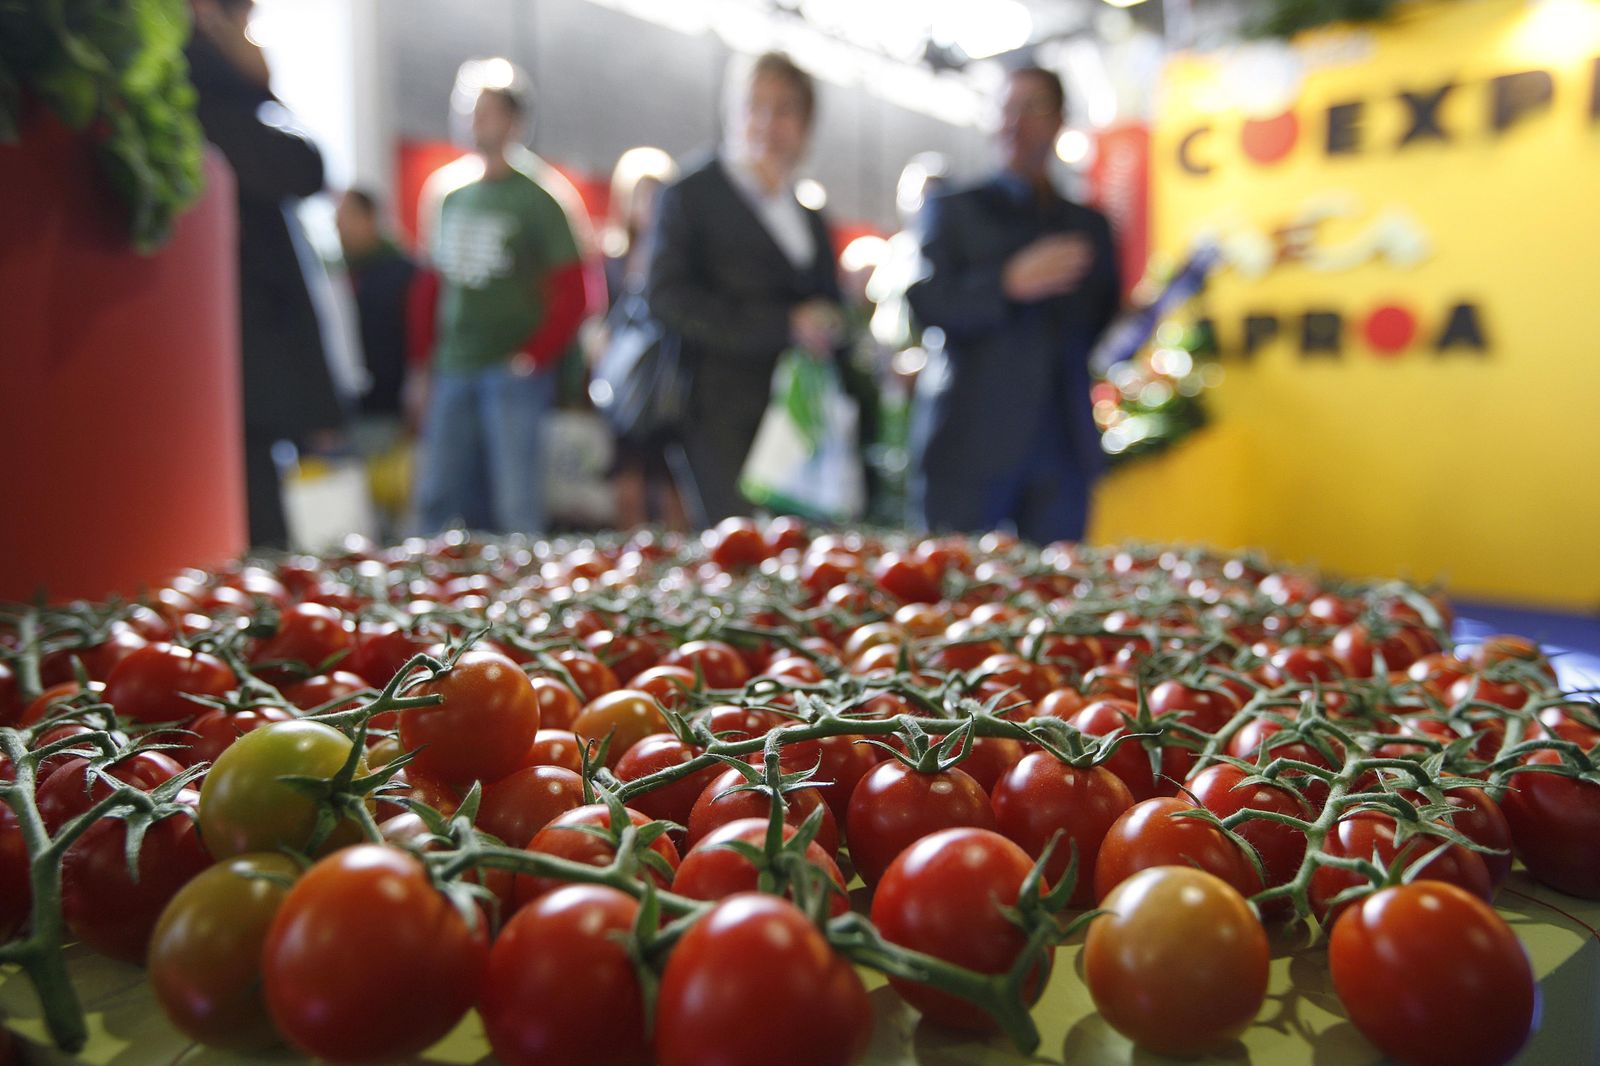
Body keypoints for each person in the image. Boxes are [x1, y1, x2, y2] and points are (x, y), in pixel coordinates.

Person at [906, 66, 1120, 544]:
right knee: (953, 577)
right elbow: (927, 304)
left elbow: (1102, 320)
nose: (1014, 122)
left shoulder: (1088, 228)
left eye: (1031, 107)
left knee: (1058, 582)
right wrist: (1006, 284)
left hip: (1060, 447)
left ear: (1059, 120)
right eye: (1005, 107)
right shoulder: (954, 208)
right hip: (969, 442)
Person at [647, 52, 847, 526]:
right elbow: (667, 298)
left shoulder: (807, 213)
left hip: (796, 415)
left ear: (805, 123)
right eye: (755, 105)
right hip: (717, 410)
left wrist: (829, 323)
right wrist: (783, 325)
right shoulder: (692, 194)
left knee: (799, 544)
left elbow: (830, 299)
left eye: (785, 109)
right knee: (738, 543)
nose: (767, 123)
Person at [187, 0, 345, 549]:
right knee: (252, 532)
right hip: (236, 347)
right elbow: (304, 166)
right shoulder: (212, 94)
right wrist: (259, 84)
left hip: (224, 349)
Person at [409, 74, 588, 536]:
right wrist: (423, 364)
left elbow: (575, 292)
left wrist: (532, 358)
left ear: (514, 121)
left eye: (487, 112)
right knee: (437, 495)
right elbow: (431, 287)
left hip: (512, 372)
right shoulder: (448, 194)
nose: (475, 121)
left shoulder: (541, 197)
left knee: (516, 503)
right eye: (471, 110)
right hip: (454, 366)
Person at [592, 148, 689, 531]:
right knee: (627, 479)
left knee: (672, 483)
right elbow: (601, 317)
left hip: (668, 385)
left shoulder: (680, 261)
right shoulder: (614, 258)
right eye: (640, 196)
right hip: (626, 387)